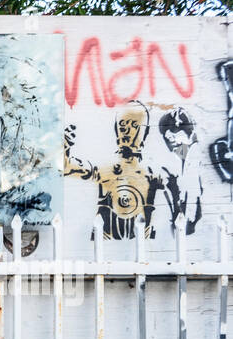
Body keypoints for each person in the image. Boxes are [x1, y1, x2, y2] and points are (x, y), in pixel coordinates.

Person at [64, 101, 165, 241]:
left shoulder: (153, 174)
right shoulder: (105, 169)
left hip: (144, 244)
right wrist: (65, 148)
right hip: (105, 243)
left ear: (145, 131)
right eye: (122, 125)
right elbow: (67, 168)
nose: (127, 131)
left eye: (134, 125)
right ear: (116, 129)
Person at [158, 107, 202, 237]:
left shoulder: (192, 157)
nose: (170, 141)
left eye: (173, 136)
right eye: (168, 137)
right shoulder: (172, 162)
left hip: (187, 221)